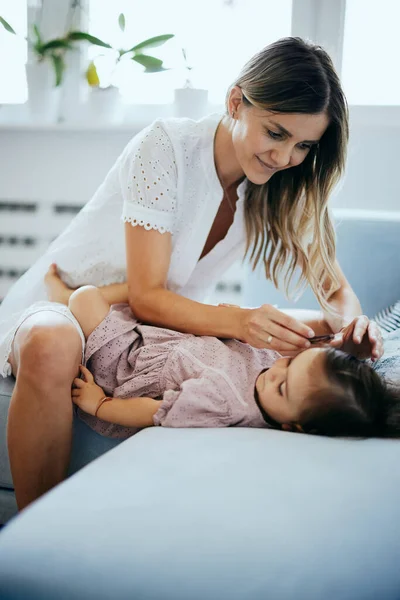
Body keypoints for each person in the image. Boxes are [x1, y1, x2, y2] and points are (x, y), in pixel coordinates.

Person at [1, 37, 384, 510]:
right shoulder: (166, 149)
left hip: (163, 333)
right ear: (235, 102)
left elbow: (336, 291)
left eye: (304, 145)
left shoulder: (278, 183)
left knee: (318, 328)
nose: (285, 157)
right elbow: (146, 297)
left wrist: (351, 329)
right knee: (50, 343)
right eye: (276, 133)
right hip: (78, 304)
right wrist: (242, 321)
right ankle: (35, 540)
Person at [46, 266, 399, 439]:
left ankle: (64, 300)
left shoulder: (226, 404)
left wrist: (100, 405)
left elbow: (155, 411)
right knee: (158, 292)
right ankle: (69, 301)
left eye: (282, 388)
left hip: (129, 362)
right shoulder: (277, 373)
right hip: (165, 339)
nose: (274, 373)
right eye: (290, 365)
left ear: (294, 426)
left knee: (84, 299)